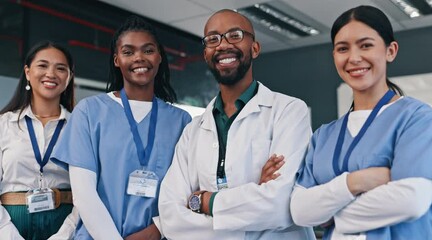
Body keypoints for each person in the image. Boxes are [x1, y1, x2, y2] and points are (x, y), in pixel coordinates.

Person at [290, 5, 432, 240]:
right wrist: (356, 182)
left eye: (366, 45)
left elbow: (411, 201)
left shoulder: (416, 118)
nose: (354, 58)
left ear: (390, 51)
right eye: (342, 48)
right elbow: (300, 211)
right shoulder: (323, 136)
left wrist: (333, 215)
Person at [156, 9, 315, 239]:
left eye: (235, 35)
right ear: (206, 54)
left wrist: (203, 200)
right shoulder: (193, 131)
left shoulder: (288, 111)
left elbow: (281, 204)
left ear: (255, 48)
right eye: (213, 39)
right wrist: (254, 199)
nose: (222, 45)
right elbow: (171, 218)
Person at [50, 15, 191, 240]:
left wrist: (156, 231)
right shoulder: (89, 112)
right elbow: (84, 195)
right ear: (116, 60)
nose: (139, 58)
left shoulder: (182, 121)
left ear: (160, 57)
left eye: (148, 50)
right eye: (128, 52)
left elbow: (186, 192)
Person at [0, 40, 78, 239]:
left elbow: (89, 191)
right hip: (10, 223)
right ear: (27, 72)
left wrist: (66, 234)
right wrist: (8, 234)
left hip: (64, 223)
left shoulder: (79, 127)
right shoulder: (4, 124)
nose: (51, 74)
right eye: (42, 65)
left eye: (61, 68)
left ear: (69, 77)